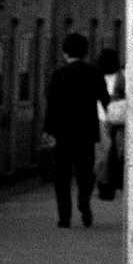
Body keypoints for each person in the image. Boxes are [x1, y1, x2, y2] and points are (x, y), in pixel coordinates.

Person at [43, 33, 110, 228]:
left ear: (65, 52)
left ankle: (64, 217)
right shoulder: (94, 73)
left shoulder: (59, 74)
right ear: (86, 52)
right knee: (85, 173)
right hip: (87, 132)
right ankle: (84, 202)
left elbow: (52, 104)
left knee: (62, 176)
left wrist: (47, 129)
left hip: (62, 133)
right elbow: (105, 100)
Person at [95, 48, 127, 200]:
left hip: (105, 118)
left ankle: (105, 184)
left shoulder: (97, 76)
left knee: (105, 153)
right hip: (116, 119)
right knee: (112, 152)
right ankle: (108, 184)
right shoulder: (122, 76)